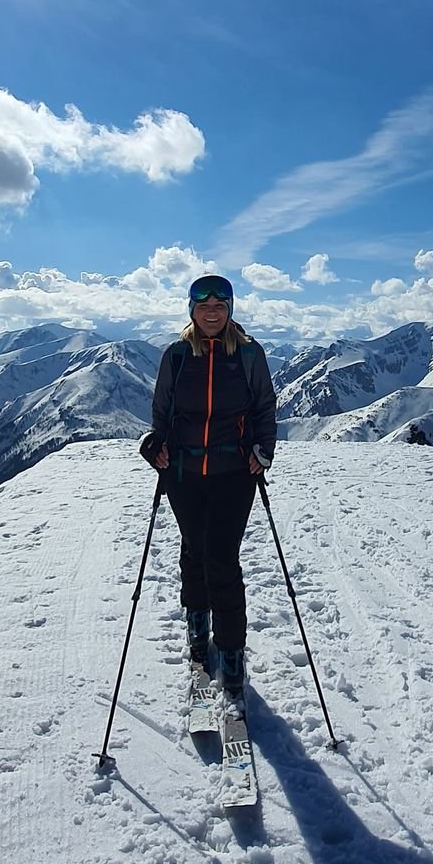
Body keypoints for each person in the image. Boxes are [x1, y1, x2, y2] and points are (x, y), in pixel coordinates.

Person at [137, 274, 277, 712]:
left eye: (219, 305)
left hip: (234, 473)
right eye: (204, 305)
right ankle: (198, 630)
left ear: (230, 310)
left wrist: (264, 450)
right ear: (192, 310)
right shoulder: (177, 356)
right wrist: (154, 443)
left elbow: (264, 407)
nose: (211, 312)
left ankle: (230, 652)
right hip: (183, 473)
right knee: (194, 552)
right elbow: (162, 411)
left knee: (220, 558)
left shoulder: (249, 354)